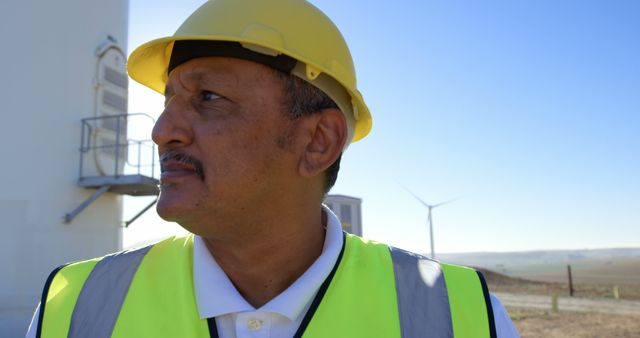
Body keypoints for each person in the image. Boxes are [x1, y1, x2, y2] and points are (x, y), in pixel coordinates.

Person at [28, 0, 520, 337]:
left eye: (209, 97)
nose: (162, 131)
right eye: (169, 100)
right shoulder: (74, 307)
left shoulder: (459, 317)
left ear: (318, 141)